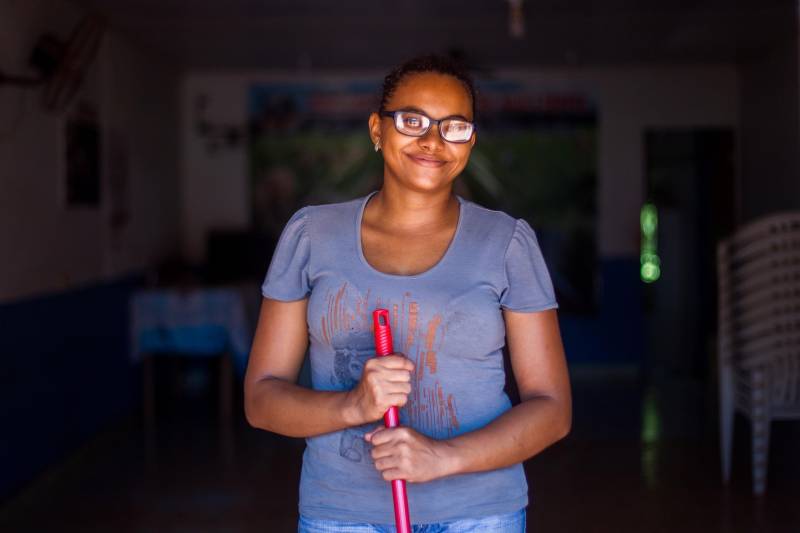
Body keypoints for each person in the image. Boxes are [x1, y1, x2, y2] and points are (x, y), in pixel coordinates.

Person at [244, 55, 572, 533]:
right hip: (342, 515)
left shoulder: (506, 243)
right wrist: (353, 405)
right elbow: (260, 400)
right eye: (412, 120)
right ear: (377, 129)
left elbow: (553, 410)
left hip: (480, 516)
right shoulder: (312, 235)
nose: (433, 140)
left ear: (470, 141)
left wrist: (442, 457)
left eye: (454, 126)